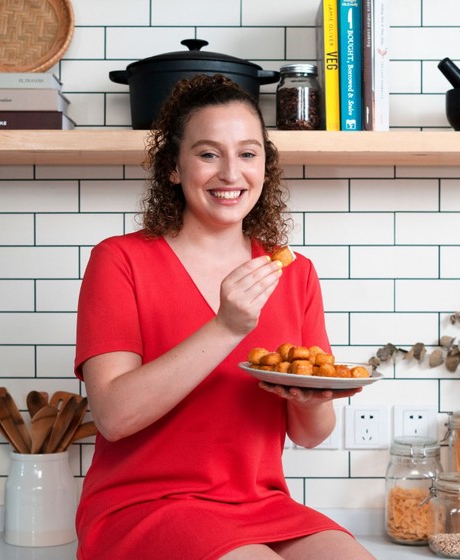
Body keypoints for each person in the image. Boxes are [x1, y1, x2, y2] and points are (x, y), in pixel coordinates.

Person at [74, 74, 375, 560]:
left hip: (259, 503)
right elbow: (113, 416)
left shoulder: (293, 273)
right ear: (174, 167)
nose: (231, 173)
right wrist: (225, 327)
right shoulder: (120, 261)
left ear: (265, 167)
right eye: (209, 153)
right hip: (146, 505)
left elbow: (310, 434)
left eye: (248, 153)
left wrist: (312, 397)